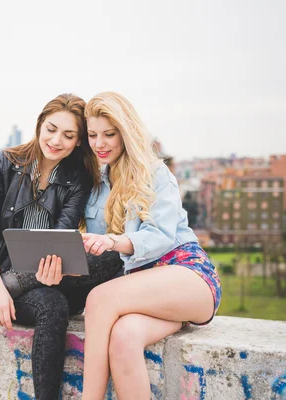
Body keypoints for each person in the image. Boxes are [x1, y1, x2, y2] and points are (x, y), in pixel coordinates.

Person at [0, 93, 123, 399]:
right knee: (53, 306)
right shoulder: (2, 163)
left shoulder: (78, 177)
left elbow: (60, 236)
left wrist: (54, 268)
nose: (57, 140)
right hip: (0, 284)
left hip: (51, 275)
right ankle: (3, 285)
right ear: (39, 126)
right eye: (51, 129)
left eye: (69, 135)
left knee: (112, 258)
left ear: (78, 142)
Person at [78, 92, 222, 399]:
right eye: (92, 135)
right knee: (124, 337)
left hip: (186, 274)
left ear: (126, 133)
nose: (99, 143)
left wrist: (113, 240)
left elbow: (160, 237)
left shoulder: (156, 174)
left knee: (99, 300)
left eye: (109, 134)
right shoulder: (95, 186)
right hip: (145, 290)